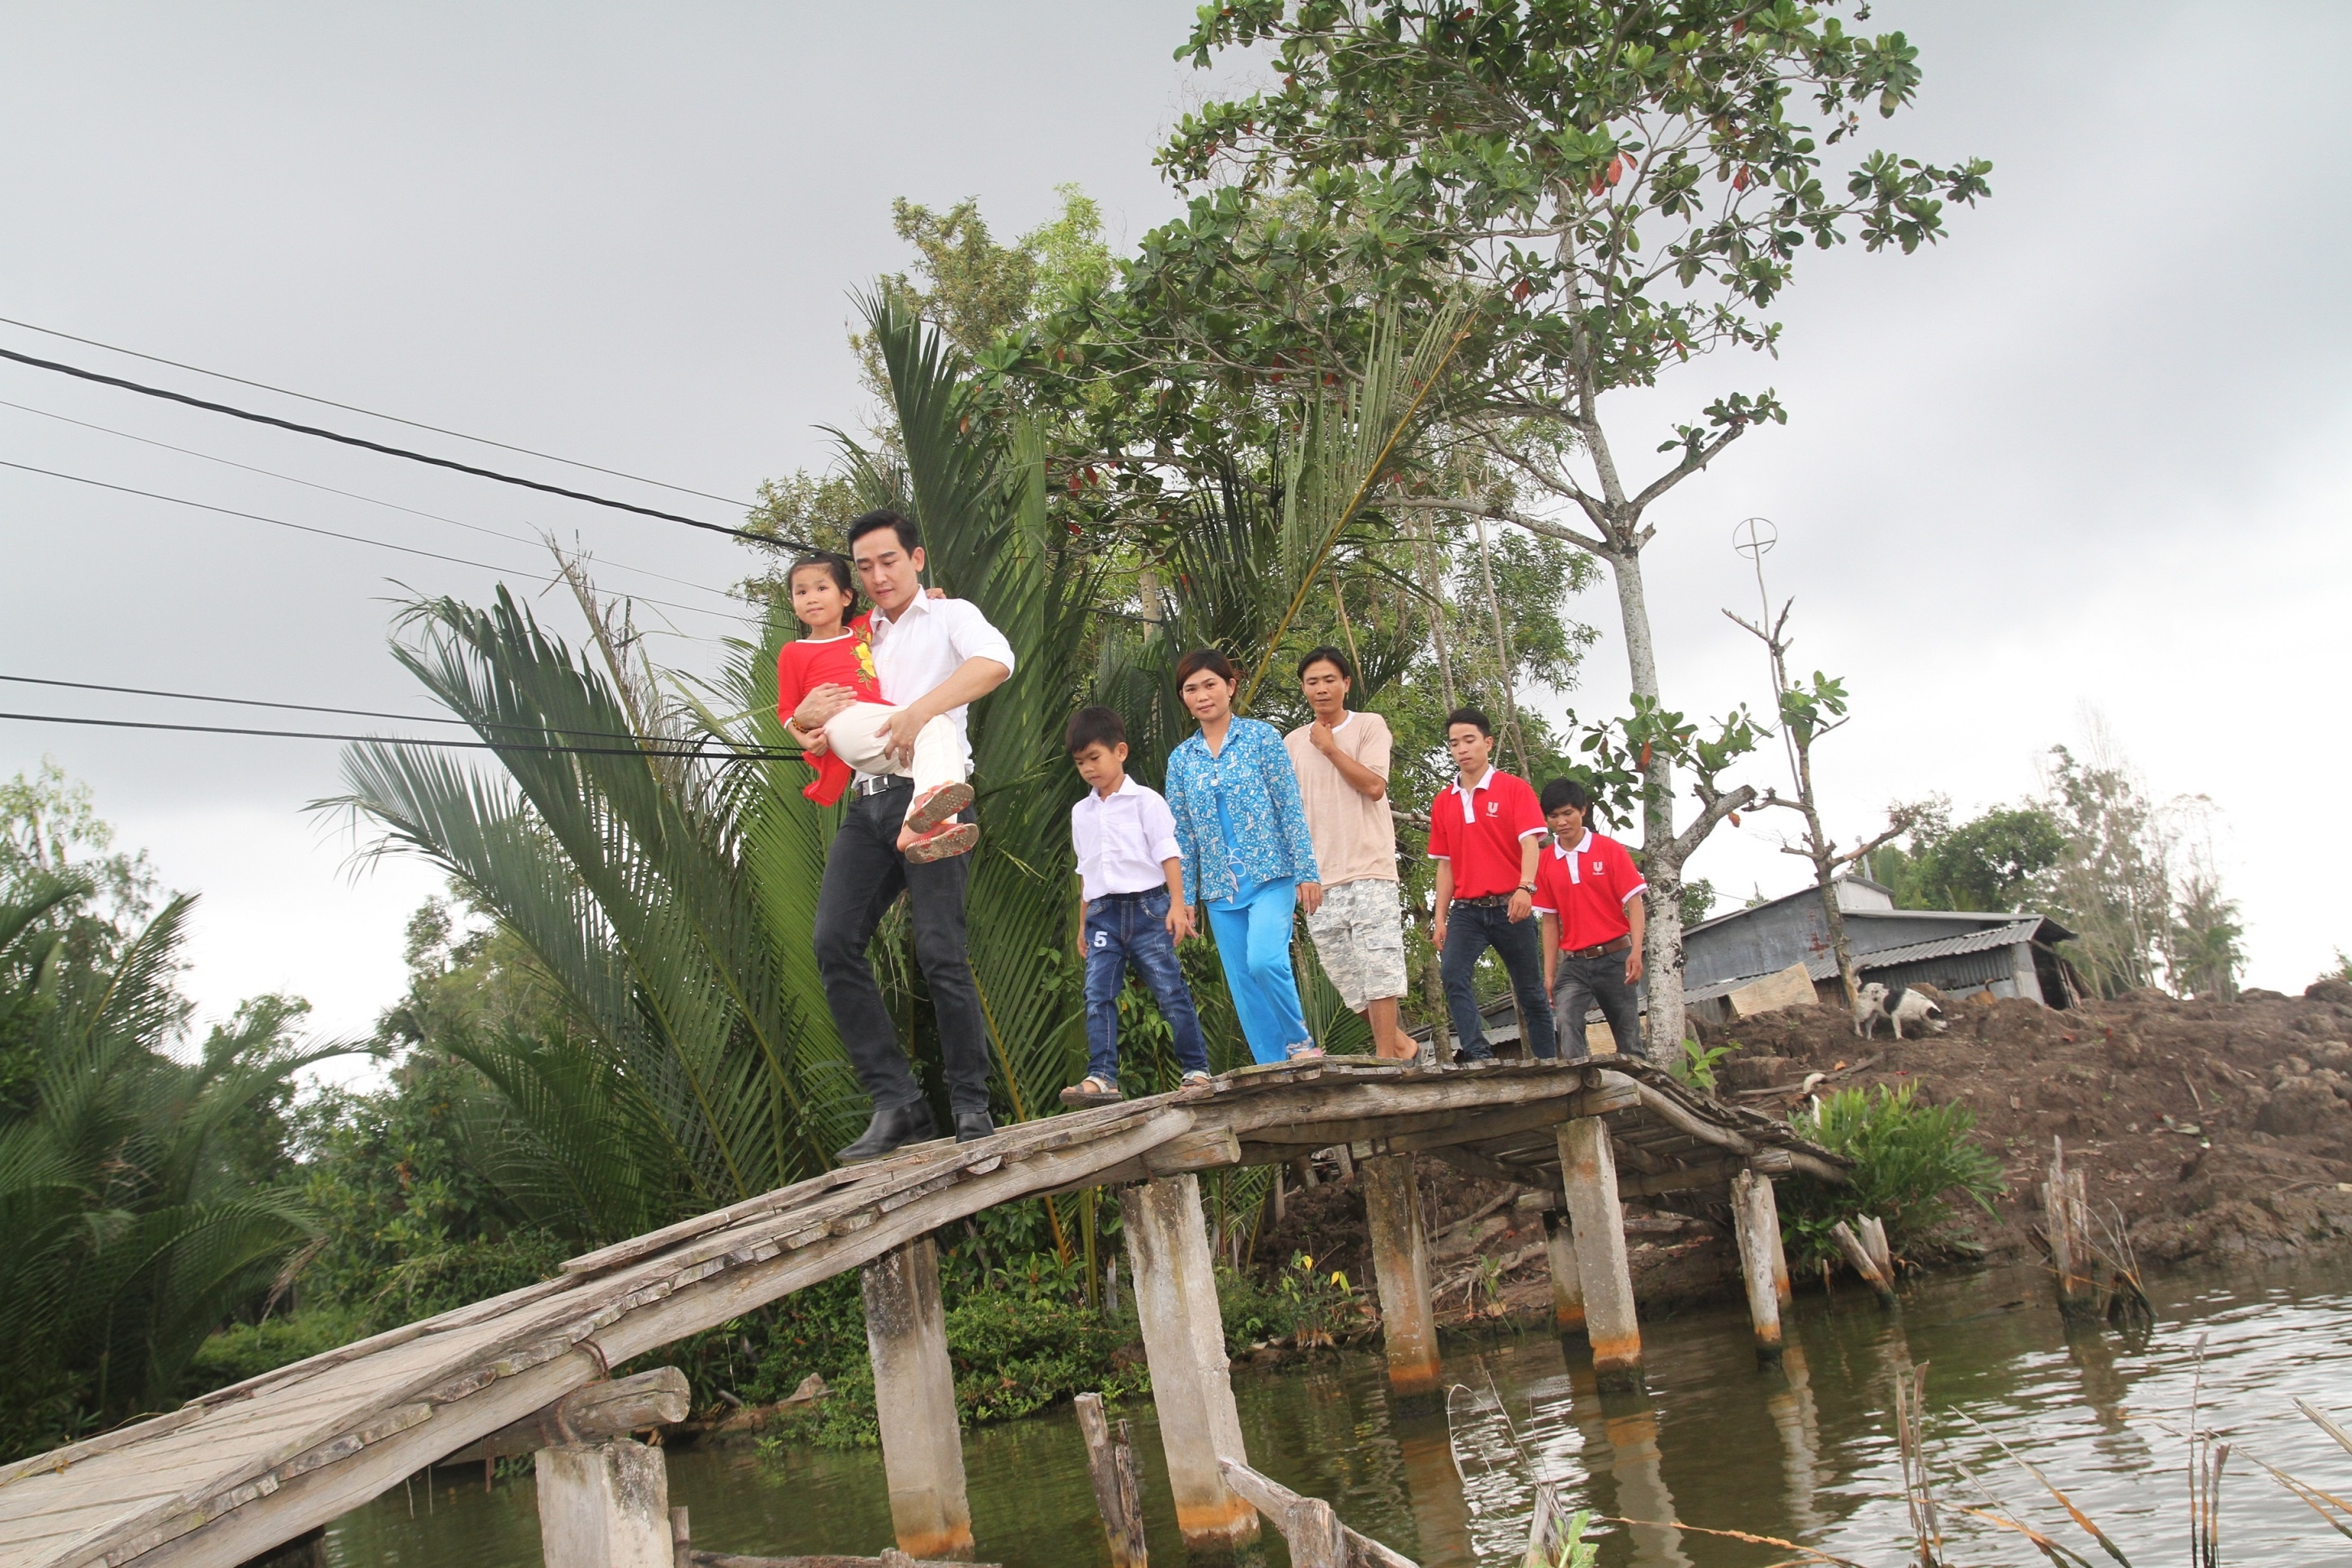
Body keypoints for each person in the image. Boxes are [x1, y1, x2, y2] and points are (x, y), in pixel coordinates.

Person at [794, 509, 1015, 1161]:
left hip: (932, 790)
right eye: (864, 567)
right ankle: (898, 1104)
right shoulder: (853, 635)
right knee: (833, 941)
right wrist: (803, 721)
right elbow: (811, 721)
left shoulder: (949, 615)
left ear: (916, 559)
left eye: (888, 560)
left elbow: (996, 662)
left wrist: (920, 710)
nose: (878, 575)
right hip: (868, 805)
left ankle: (970, 1103)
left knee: (940, 949)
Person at [1162, 649, 1323, 1065]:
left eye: (1210, 685)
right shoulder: (1181, 760)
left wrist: (1307, 871)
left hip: (1272, 876)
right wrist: (1184, 898)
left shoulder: (1261, 737)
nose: (1202, 696)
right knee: (1244, 985)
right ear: (1183, 698)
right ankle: (1272, 1065)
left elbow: (1289, 806)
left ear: (1230, 687)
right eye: (1191, 689)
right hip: (1220, 890)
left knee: (1265, 961)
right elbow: (1182, 836)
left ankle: (1300, 1043)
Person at [1059, 705, 1216, 1105]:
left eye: (1094, 757)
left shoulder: (1147, 801)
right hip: (1102, 914)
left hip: (1149, 909)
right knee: (1097, 993)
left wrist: (1177, 905)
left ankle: (1196, 1070)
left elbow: (1169, 855)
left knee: (1170, 990)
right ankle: (1102, 1077)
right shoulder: (1081, 812)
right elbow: (1086, 871)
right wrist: (1082, 924)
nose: (1088, 769)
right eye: (1080, 762)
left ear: (1121, 751)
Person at [774, 552, 974, 862]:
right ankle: (926, 814)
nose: (811, 598)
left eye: (821, 588)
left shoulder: (861, 629)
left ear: (845, 597)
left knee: (937, 745)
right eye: (801, 592)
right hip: (843, 722)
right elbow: (786, 708)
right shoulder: (794, 651)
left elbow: (903, 609)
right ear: (793, 602)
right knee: (932, 721)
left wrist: (928, 599)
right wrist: (801, 733)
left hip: (877, 730)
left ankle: (930, 828)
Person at [1284, 646, 1417, 1060]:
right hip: (1318, 879)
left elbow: (1375, 786)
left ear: (1346, 683)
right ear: (1304, 688)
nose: (1321, 689)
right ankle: (1403, 1047)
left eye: (1329, 680)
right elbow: (1289, 813)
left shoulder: (1368, 725)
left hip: (1369, 868)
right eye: (1312, 682)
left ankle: (1385, 1061)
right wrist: (1296, 876)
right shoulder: (1292, 742)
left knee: (1380, 970)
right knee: (1348, 983)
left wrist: (1330, 748)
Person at [1427, 707, 1557, 1063]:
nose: (1461, 749)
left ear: (1487, 742)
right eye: (1454, 743)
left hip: (1510, 906)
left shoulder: (1513, 789)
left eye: (1469, 740)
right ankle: (1478, 1053)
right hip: (1467, 910)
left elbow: (1530, 844)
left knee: (1530, 991)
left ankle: (1547, 1063)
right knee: (1453, 974)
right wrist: (1439, 918)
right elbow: (1445, 864)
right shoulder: (1444, 801)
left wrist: (1525, 888)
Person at [1533, 778, 1648, 1061]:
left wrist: (1636, 951)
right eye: (1554, 816)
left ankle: (1639, 1087)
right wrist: (1549, 974)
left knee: (1628, 1040)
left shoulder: (1609, 849)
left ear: (1582, 810)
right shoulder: (1545, 861)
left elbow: (1634, 903)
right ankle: (1580, 1082)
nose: (1561, 822)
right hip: (1575, 963)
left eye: (1568, 813)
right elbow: (1550, 921)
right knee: (1567, 1021)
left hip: (1616, 957)